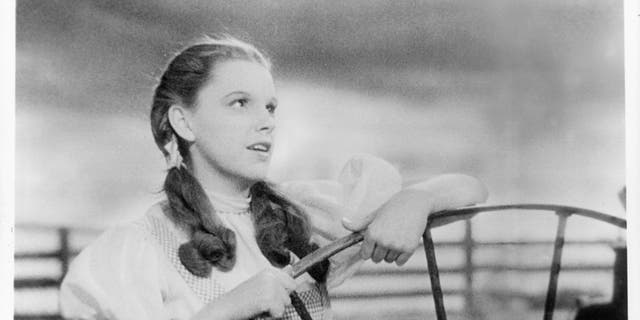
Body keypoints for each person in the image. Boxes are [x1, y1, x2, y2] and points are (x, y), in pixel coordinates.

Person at [59, 35, 488, 320]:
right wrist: (229, 308)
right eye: (239, 103)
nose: (265, 122)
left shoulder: (300, 217)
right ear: (184, 123)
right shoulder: (139, 251)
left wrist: (415, 200)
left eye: (270, 107)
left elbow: (472, 191)